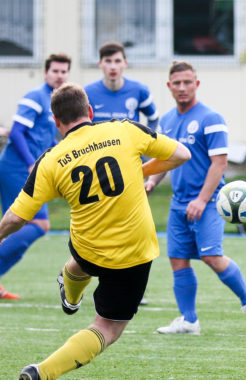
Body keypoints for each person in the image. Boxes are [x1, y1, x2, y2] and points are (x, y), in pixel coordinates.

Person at [2, 82, 190, 380]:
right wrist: (141, 171)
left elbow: (14, 218)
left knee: (80, 259)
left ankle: (71, 295)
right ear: (90, 111)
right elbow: (181, 154)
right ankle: (42, 373)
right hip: (134, 254)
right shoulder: (125, 130)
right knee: (107, 328)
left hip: (89, 250)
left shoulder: (50, 160)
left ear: (57, 122)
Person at [145, 61, 246, 336]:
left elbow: (219, 164)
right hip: (178, 204)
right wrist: (151, 180)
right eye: (177, 83)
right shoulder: (168, 121)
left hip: (207, 203)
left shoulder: (211, 118)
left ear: (196, 84)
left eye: (188, 82)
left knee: (211, 256)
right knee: (177, 259)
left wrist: (200, 199)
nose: (183, 87)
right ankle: (189, 321)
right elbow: (164, 158)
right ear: (169, 86)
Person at [0, 53, 71, 300]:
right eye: (55, 71)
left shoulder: (56, 102)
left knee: (16, 229)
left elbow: (44, 138)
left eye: (64, 72)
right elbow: (17, 133)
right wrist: (32, 164)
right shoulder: (35, 97)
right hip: (16, 168)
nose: (59, 76)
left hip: (30, 170)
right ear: (46, 73)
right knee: (38, 225)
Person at [84, 41, 159, 129]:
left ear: (125, 63)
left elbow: (153, 119)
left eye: (117, 61)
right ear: (100, 64)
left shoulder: (140, 90)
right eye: (108, 61)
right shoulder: (87, 93)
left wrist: (146, 140)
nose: (113, 67)